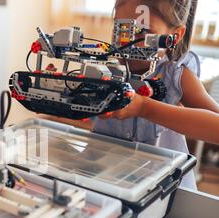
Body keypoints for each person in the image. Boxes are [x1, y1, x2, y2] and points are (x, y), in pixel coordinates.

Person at [93, 0, 219, 189]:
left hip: (166, 190)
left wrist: (145, 108)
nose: (128, 41)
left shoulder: (176, 75)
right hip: (110, 183)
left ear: (175, 35)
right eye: (121, 28)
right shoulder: (106, 70)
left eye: (143, 31)